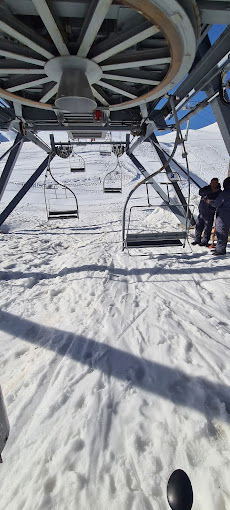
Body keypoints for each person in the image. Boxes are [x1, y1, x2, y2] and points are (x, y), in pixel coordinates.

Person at [192, 178, 221, 246]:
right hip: (202, 211)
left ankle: (205, 241)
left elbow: (218, 202)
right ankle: (197, 239)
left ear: (217, 183)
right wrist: (210, 191)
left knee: (207, 228)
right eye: (212, 183)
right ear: (210, 183)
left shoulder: (219, 192)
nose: (213, 184)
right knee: (198, 226)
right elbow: (200, 192)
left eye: (215, 183)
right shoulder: (206, 188)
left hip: (210, 212)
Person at [207, 176, 230, 255]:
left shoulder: (224, 193)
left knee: (222, 232)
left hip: (223, 216)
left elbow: (216, 203)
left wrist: (209, 201)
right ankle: (219, 248)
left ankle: (220, 250)